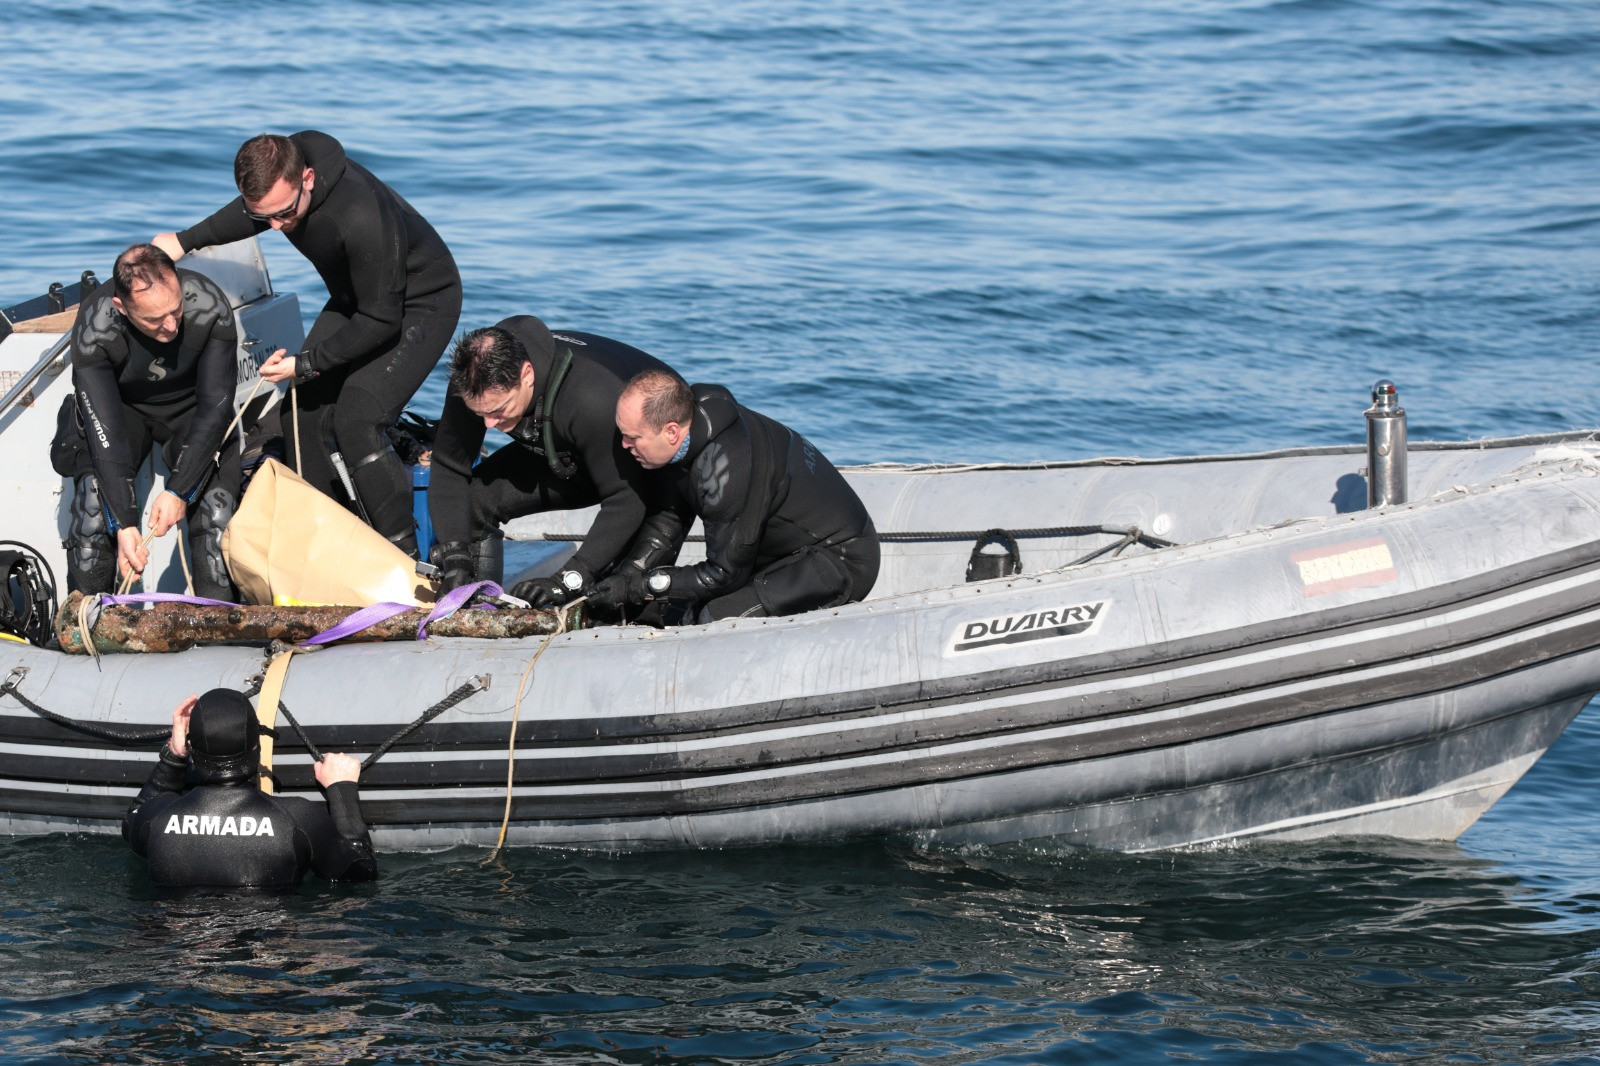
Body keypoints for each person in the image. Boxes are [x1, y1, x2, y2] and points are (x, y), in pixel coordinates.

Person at [152, 130, 461, 557]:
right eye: (266, 217)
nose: (277, 226)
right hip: (359, 299)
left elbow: (381, 321)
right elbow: (250, 215)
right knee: (301, 411)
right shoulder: (283, 185)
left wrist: (306, 361)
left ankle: (403, 560)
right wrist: (184, 241)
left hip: (419, 304)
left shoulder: (359, 215)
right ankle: (328, 546)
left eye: (284, 213)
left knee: (357, 419)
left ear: (309, 178)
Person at [427, 316, 682, 606]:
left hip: (646, 466)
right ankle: (477, 606)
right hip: (563, 453)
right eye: (479, 414)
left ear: (527, 375)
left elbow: (627, 499)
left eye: (500, 410)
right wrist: (457, 558)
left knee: (619, 592)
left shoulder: (591, 397)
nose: (487, 424)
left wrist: (570, 577)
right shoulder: (474, 381)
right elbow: (449, 469)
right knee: (476, 499)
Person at [591, 370, 880, 624]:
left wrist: (639, 587)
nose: (624, 445)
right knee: (667, 608)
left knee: (715, 616)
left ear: (671, 431)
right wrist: (626, 580)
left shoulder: (723, 472)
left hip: (839, 560)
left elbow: (722, 575)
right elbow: (668, 517)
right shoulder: (685, 433)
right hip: (773, 555)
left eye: (633, 437)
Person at [51, 243, 241, 600]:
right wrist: (123, 523)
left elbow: (216, 407)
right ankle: (85, 621)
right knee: (94, 508)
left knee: (215, 508)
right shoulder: (97, 327)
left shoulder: (208, 305)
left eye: (175, 310)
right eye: (154, 320)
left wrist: (178, 489)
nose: (170, 325)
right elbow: (103, 431)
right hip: (124, 411)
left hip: (192, 408)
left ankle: (218, 627)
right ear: (122, 308)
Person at [122, 689, 378, 890]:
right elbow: (359, 871)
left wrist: (174, 757)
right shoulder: (298, 818)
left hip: (174, 948)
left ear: (192, 749)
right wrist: (342, 790)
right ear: (256, 747)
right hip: (265, 951)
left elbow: (131, 820)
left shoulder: (157, 815)